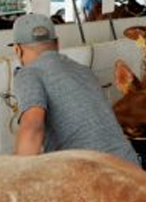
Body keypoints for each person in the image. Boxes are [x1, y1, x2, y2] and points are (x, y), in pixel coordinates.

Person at [10, 13, 139, 164]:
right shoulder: (84, 71)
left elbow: (32, 127)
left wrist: (15, 174)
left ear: (17, 50)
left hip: (91, 172)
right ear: (57, 44)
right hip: (129, 164)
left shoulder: (28, 73)